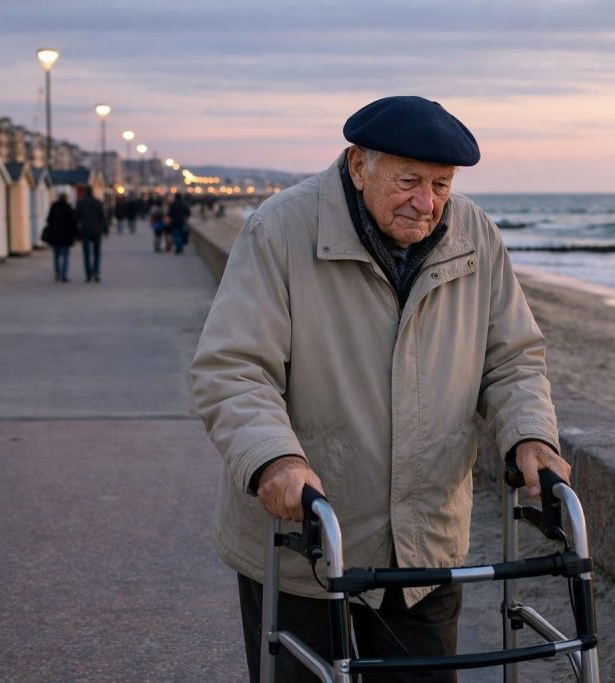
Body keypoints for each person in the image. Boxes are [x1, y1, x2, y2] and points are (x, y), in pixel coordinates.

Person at [190, 96, 571, 683]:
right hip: (309, 547)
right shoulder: (280, 230)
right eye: (409, 181)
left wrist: (530, 439)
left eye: (441, 184)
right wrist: (275, 460)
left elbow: (513, 360)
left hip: (424, 550)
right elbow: (235, 368)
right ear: (357, 165)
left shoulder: (475, 235)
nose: (427, 203)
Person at [75, 186, 107, 283]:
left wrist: (76, 230)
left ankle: (88, 275)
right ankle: (96, 273)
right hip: (97, 231)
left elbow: (76, 217)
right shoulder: (97, 202)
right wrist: (105, 230)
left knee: (86, 254)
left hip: (85, 231)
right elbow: (102, 217)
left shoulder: (81, 202)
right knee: (97, 253)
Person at [44, 192, 77, 282]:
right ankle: (64, 275)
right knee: (65, 257)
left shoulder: (54, 207)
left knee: (56, 256)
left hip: (55, 236)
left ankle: (57, 273)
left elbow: (48, 220)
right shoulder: (68, 208)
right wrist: (75, 236)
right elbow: (73, 223)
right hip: (66, 237)